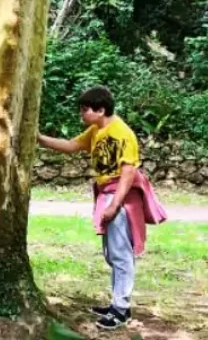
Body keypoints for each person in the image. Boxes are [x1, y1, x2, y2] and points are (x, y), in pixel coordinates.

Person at [38, 85, 167, 330]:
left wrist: (115, 205)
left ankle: (121, 309)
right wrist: (39, 138)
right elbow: (70, 145)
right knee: (112, 254)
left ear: (101, 110)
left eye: (85, 110)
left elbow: (128, 172)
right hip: (107, 193)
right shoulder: (96, 130)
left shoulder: (122, 133)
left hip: (120, 195)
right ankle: (117, 303)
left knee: (121, 255)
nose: (82, 115)